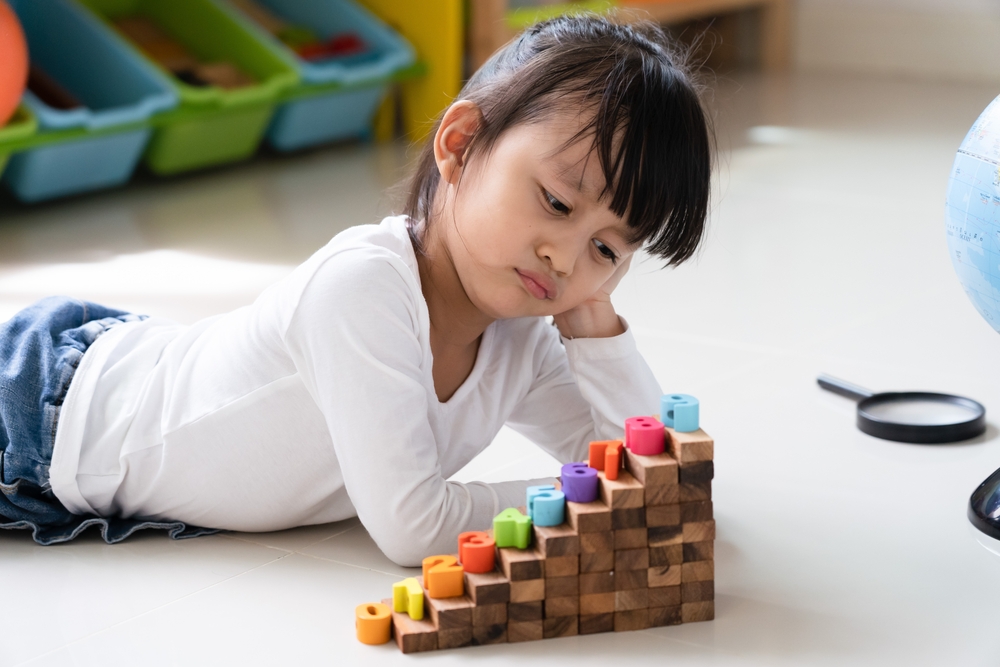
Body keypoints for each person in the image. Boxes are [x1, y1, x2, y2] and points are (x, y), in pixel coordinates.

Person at [0, 13, 712, 565]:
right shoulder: (363, 290)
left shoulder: (520, 334)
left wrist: (594, 323)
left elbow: (655, 475)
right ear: (461, 145)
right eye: (556, 202)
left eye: (607, 248)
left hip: (117, 412)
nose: (563, 256)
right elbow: (415, 527)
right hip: (46, 412)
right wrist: (599, 503)